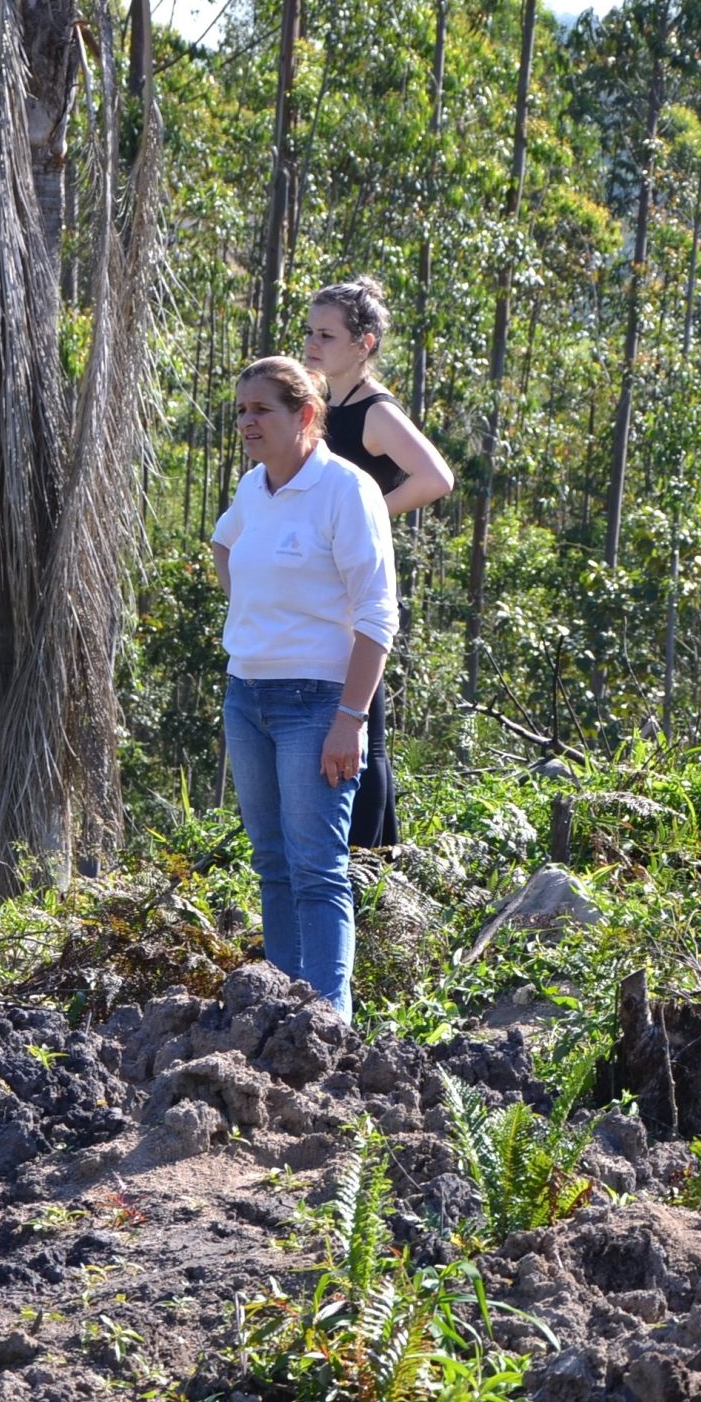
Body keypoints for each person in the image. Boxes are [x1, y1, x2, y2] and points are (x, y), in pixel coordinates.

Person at [213, 356, 399, 1020]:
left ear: (306, 415)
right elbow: (223, 543)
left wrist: (351, 717)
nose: (247, 422)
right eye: (240, 410)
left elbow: (379, 616)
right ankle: (281, 1013)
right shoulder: (253, 489)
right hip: (248, 698)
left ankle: (328, 1025)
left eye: (261, 409)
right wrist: (251, 614)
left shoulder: (347, 491)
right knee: (273, 863)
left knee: (318, 867)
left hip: (316, 704)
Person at [302, 276, 454, 847]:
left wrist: (369, 519)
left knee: (365, 715)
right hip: (319, 587)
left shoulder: (374, 412)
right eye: (310, 332)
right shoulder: (319, 405)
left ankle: (370, 860)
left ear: (363, 344)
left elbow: (437, 478)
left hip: (358, 585)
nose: (313, 343)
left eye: (327, 334)